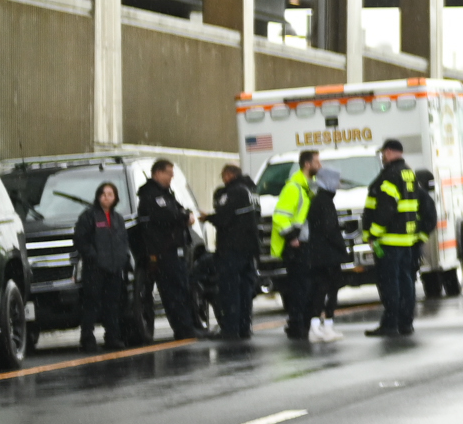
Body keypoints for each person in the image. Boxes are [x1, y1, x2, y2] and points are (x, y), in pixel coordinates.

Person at [365, 135, 433, 337]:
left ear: (388, 152)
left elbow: (386, 209)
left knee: (389, 284)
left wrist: (373, 233)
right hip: (406, 242)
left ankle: (390, 323)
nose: (383, 158)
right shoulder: (408, 174)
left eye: (383, 154)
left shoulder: (390, 176)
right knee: (406, 283)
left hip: (389, 241)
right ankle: (405, 322)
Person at [134, 157, 204, 338]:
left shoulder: (166, 193)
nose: (171, 178)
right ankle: (183, 329)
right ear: (158, 173)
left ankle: (190, 326)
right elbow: (168, 216)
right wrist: (183, 217)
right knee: (173, 291)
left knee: (182, 288)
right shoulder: (151, 195)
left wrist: (184, 215)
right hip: (163, 252)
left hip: (175, 249)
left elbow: (182, 210)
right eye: (169, 174)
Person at [274, 147, 334, 340]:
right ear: (307, 165)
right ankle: (297, 326)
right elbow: (280, 217)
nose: (320, 165)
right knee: (300, 289)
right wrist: (292, 238)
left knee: (309, 288)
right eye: (317, 162)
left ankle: (304, 326)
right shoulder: (293, 188)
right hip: (297, 247)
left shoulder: (310, 187)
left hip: (308, 246)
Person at [76, 180, 137, 348]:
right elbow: (81, 240)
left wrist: (122, 260)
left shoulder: (118, 218)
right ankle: (87, 338)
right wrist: (93, 257)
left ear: (115, 197)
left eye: (110, 194)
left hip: (114, 268)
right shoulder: (89, 216)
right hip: (94, 269)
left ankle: (112, 337)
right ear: (98, 196)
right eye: (103, 194)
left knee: (113, 304)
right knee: (92, 303)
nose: (107, 198)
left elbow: (123, 241)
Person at [209, 161, 262, 343]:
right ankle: (244, 326)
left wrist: (208, 217)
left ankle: (231, 329)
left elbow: (223, 218)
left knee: (230, 289)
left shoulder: (234, 191)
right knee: (246, 289)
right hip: (249, 247)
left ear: (228, 175)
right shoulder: (252, 191)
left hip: (233, 247)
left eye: (223, 177)